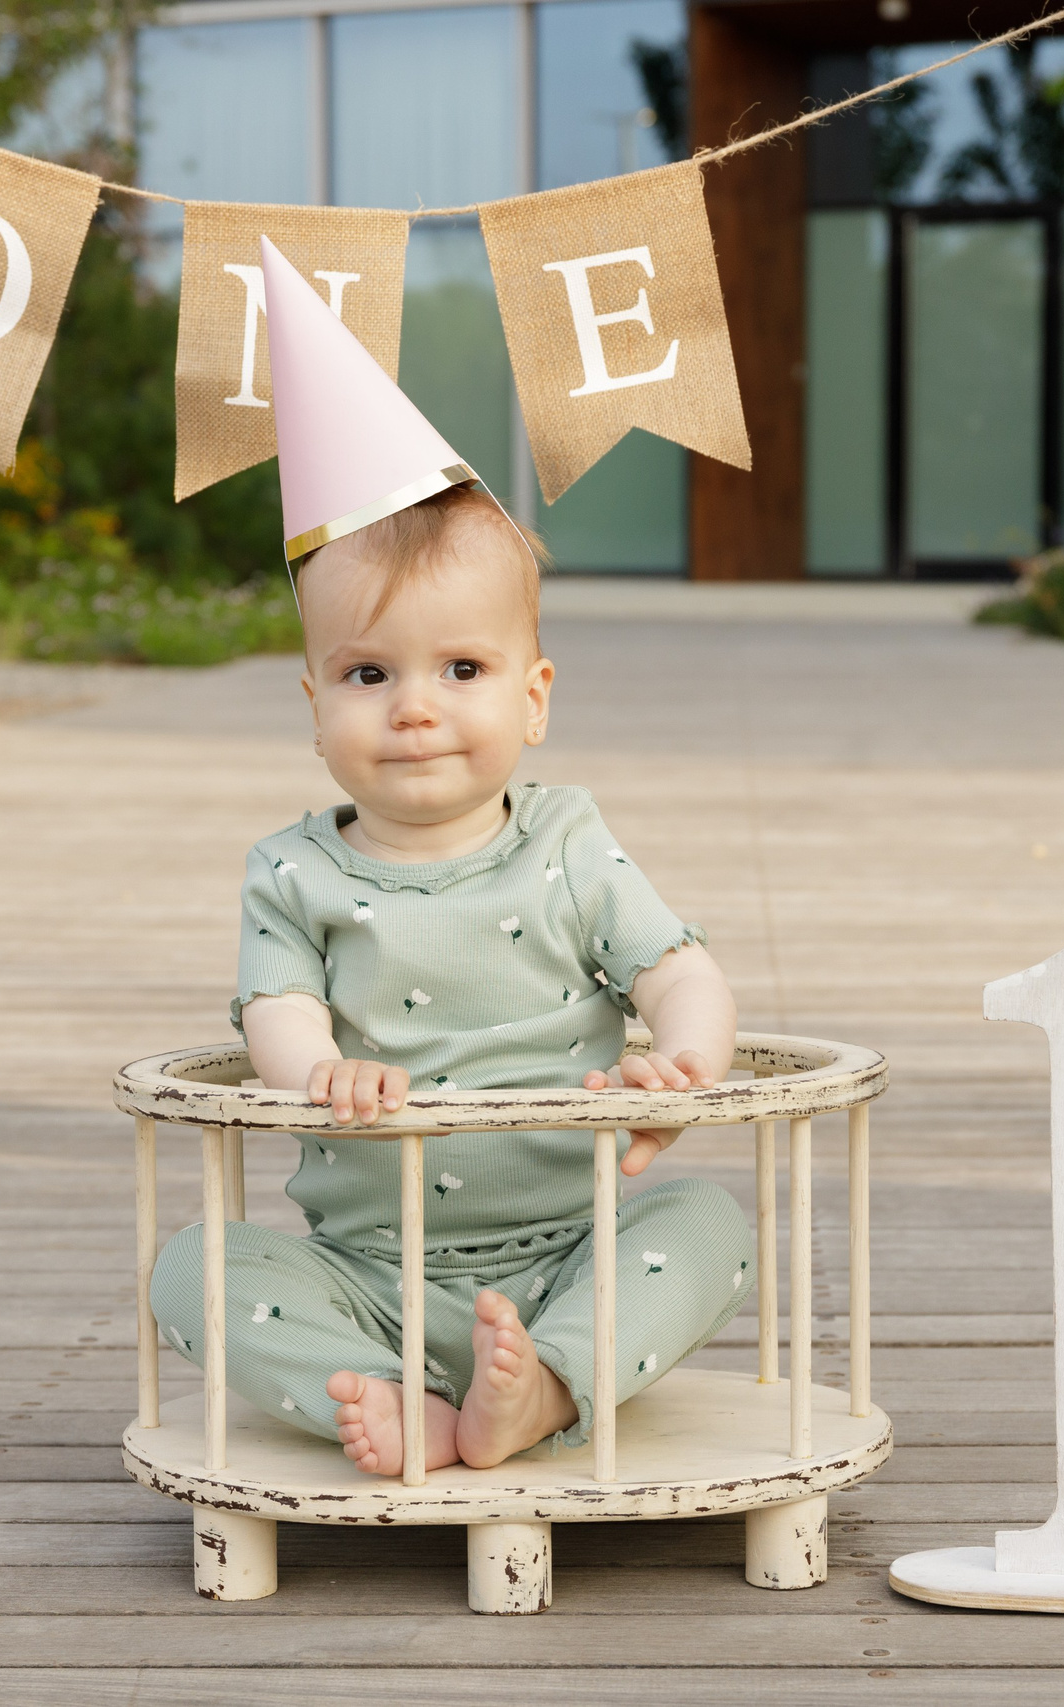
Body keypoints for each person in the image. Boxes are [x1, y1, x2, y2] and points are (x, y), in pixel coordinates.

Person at [147, 240, 752, 1477]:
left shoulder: (568, 843)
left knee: (708, 1224)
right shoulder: (294, 871)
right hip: (367, 1268)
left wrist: (685, 1063)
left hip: (572, 1250)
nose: (414, 708)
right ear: (314, 706)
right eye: (369, 674)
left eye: (461, 669)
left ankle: (547, 1382)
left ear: (534, 698)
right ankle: (390, 1396)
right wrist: (320, 1072)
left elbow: (679, 969)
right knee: (193, 1266)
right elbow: (275, 1008)